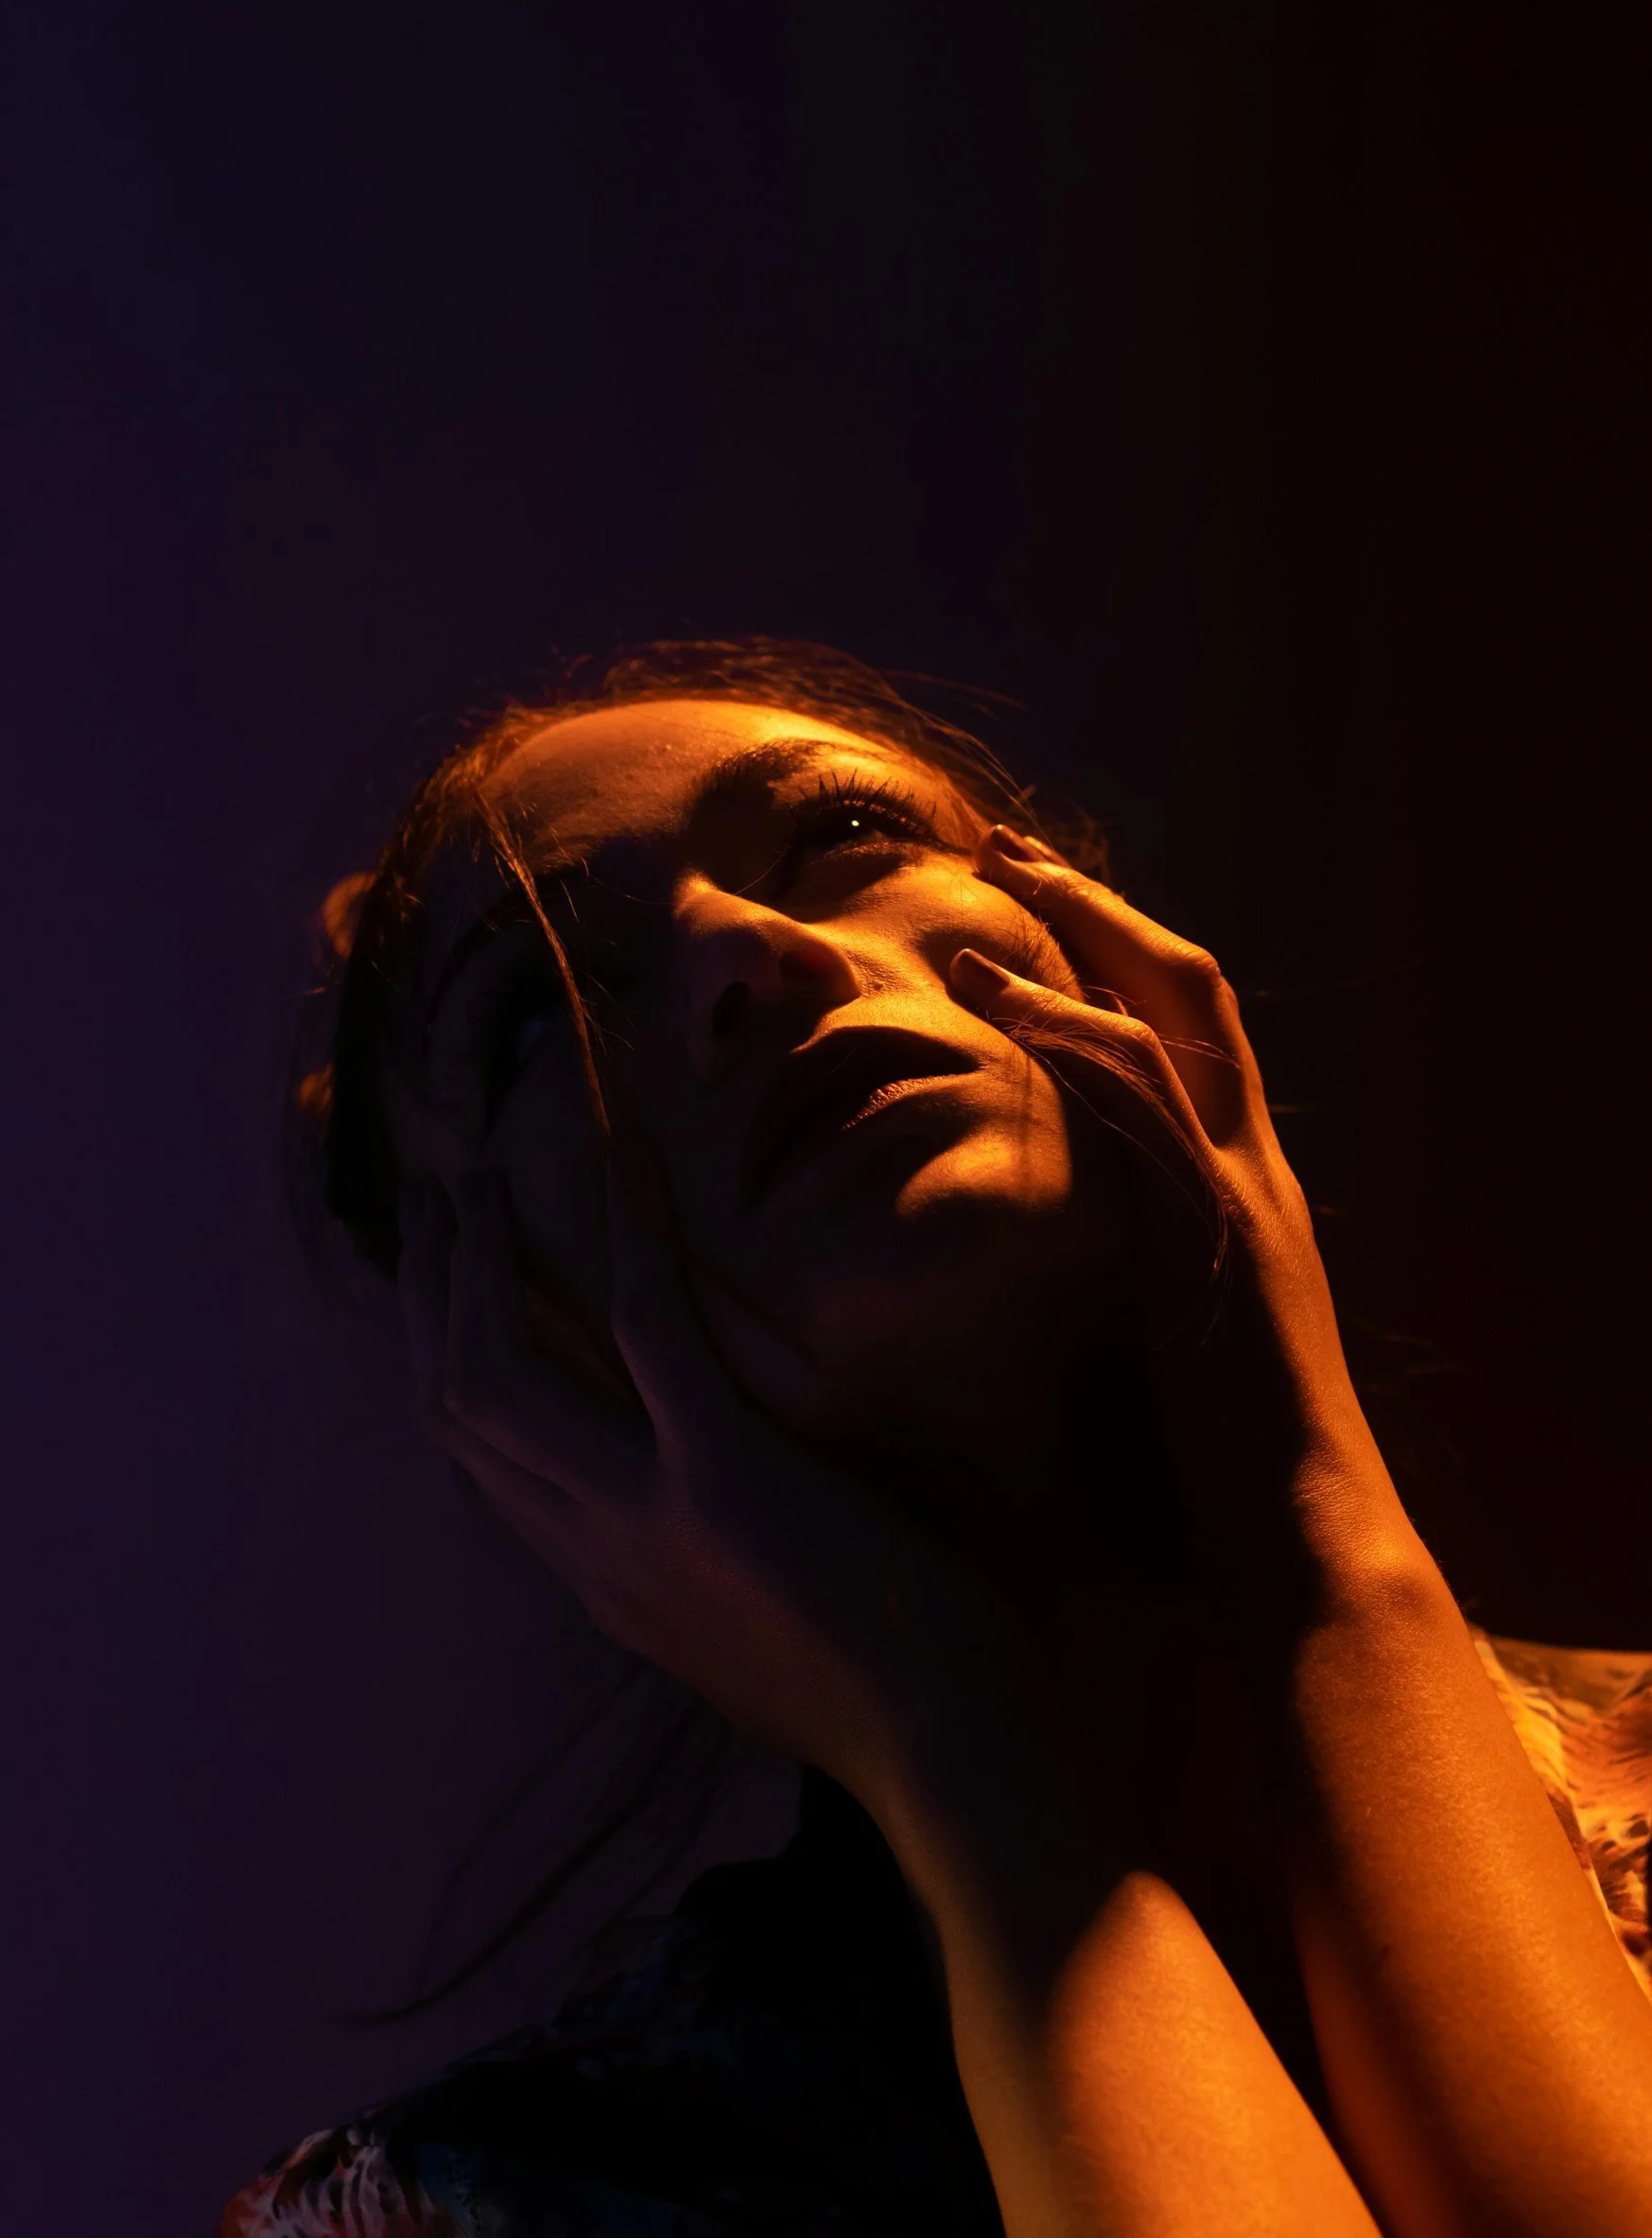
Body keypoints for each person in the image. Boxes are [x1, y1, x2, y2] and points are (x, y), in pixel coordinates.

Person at [221, 639, 1652, 2237]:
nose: (742, 946)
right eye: (544, 1014)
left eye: (843, 839)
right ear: (493, 1333)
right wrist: (958, 1742)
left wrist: (1318, 1512)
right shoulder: (484, 2206)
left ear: (1112, 963)